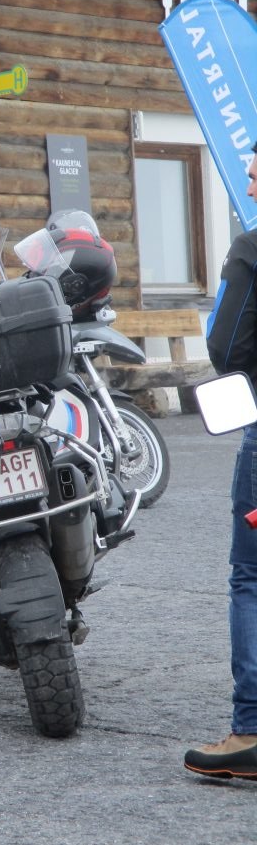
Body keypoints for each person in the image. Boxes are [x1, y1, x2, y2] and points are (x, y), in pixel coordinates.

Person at [184, 141, 257, 779]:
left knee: (252, 577)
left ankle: (251, 731)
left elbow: (227, 347)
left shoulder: (250, 248)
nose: (251, 188)